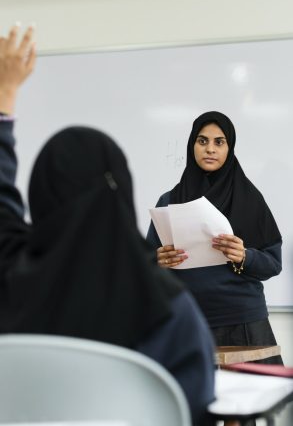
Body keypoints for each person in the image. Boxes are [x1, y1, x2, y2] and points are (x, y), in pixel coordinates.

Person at [0, 25, 215, 426]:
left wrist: (3, 97)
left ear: (39, 194)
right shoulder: (168, 310)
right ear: (124, 190)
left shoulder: (9, 279)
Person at [147, 111, 283, 364]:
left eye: (219, 142)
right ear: (192, 146)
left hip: (243, 321)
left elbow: (273, 263)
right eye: (202, 141)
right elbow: (146, 266)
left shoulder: (250, 200)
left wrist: (244, 256)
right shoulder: (168, 201)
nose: (210, 149)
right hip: (188, 319)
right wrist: (157, 261)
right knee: (193, 401)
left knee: (253, 400)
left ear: (229, 148)